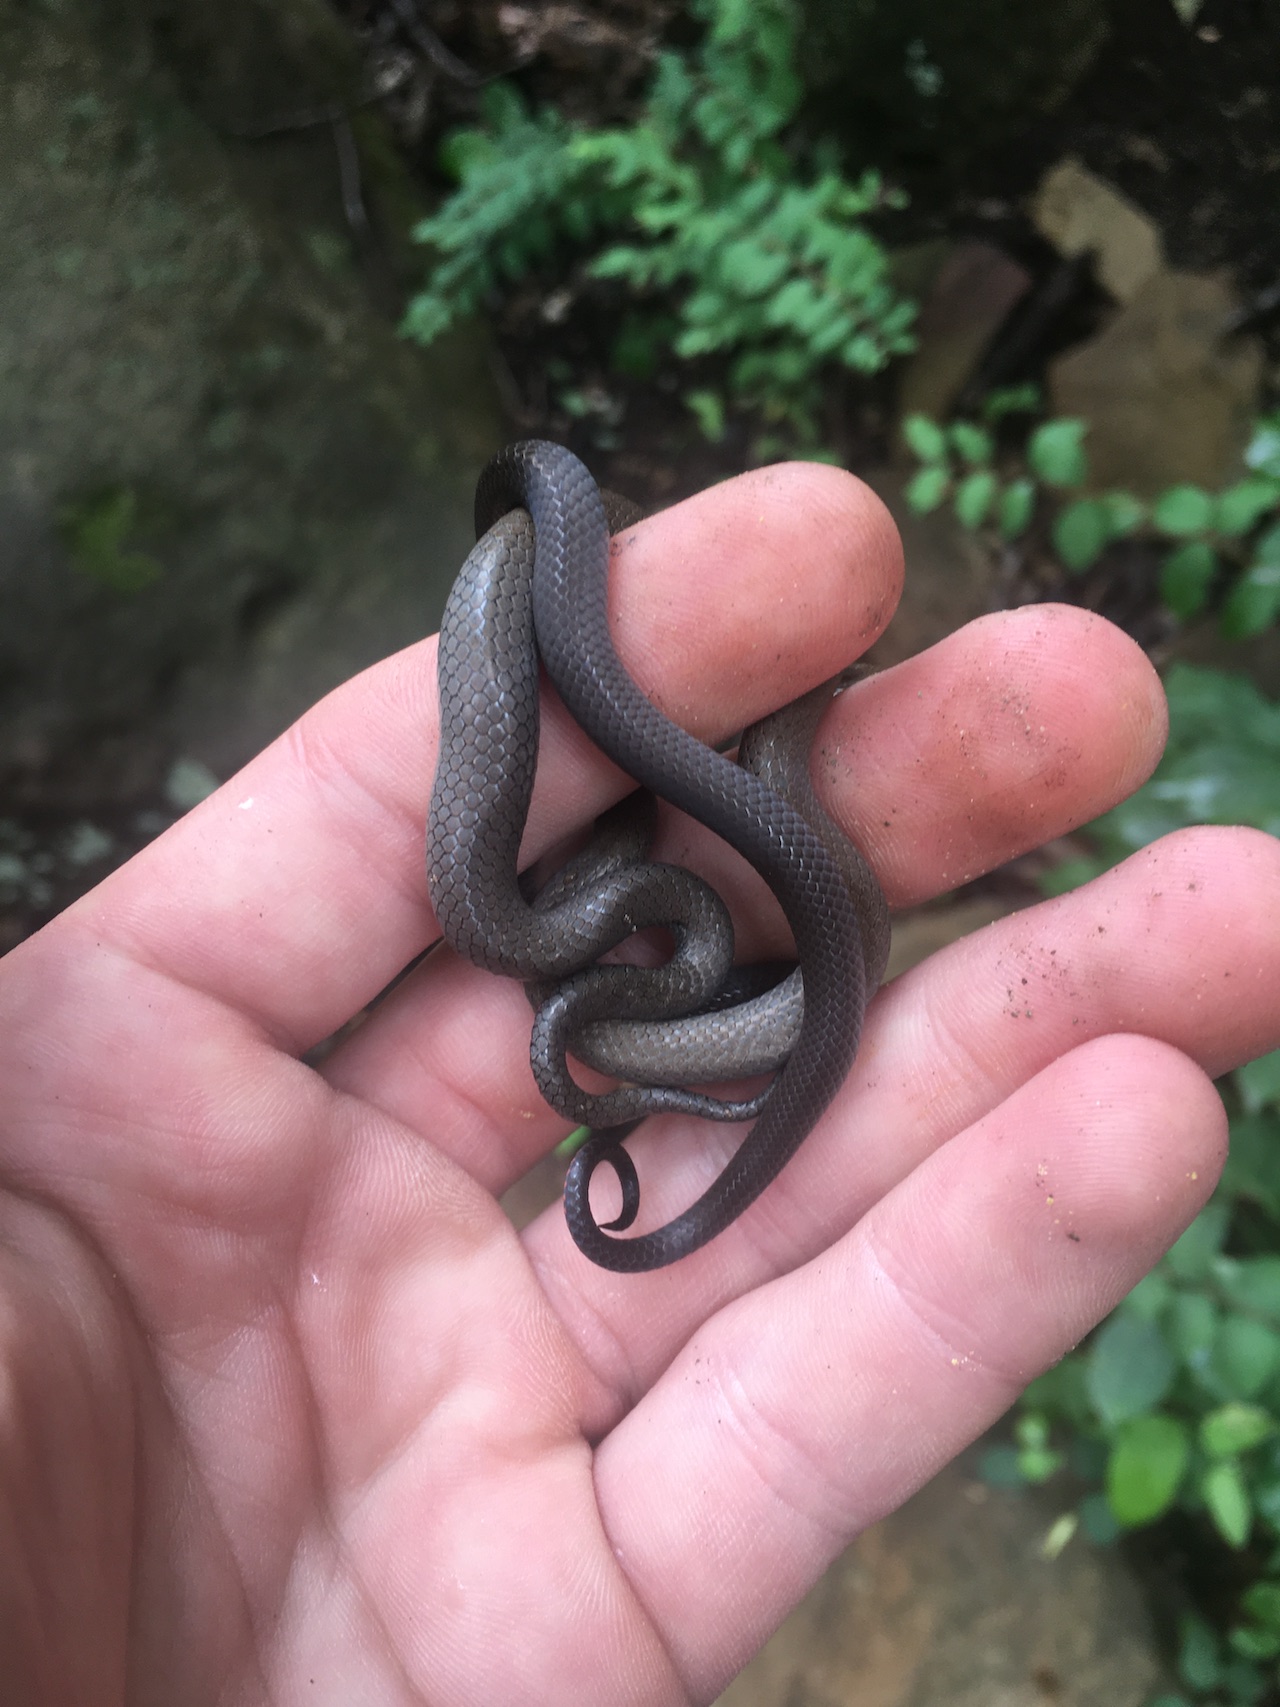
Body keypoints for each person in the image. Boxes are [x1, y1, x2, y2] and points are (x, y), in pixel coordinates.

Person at [1, 460, 1275, 1705]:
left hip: (627, 925)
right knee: (703, 873)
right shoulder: (572, 915)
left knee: (746, 885)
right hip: (617, 927)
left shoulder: (602, 903)